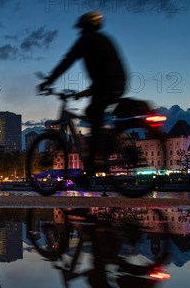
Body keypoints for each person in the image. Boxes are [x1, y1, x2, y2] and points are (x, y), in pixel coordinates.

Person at [39, 11, 127, 174]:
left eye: (81, 28)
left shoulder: (87, 40)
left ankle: (93, 163)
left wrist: (49, 81)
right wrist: (85, 92)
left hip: (107, 85)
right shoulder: (103, 39)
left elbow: (67, 61)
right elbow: (106, 69)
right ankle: (102, 151)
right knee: (95, 115)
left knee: (93, 113)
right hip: (113, 83)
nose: (80, 32)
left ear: (86, 27)